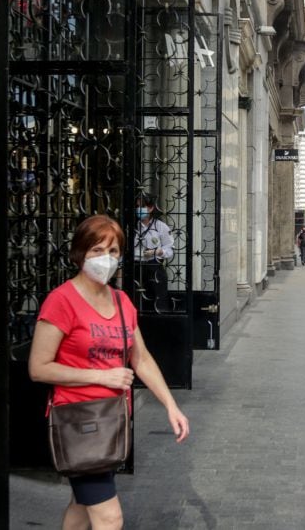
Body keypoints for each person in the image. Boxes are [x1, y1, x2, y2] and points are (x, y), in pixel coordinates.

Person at [28, 215, 190, 530]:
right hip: (79, 422)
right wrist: (101, 377)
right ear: (79, 254)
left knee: (81, 507)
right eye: (97, 250)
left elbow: (141, 359)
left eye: (113, 251)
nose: (106, 258)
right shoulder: (61, 301)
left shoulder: (122, 302)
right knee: (109, 518)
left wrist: (171, 406)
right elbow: (38, 367)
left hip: (112, 422)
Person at [134, 194, 174, 314]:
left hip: (154, 267)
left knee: (158, 302)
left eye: (142, 206)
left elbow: (170, 249)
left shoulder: (160, 227)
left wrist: (157, 252)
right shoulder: (132, 227)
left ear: (151, 208)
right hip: (136, 267)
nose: (138, 209)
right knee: (136, 302)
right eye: (137, 206)